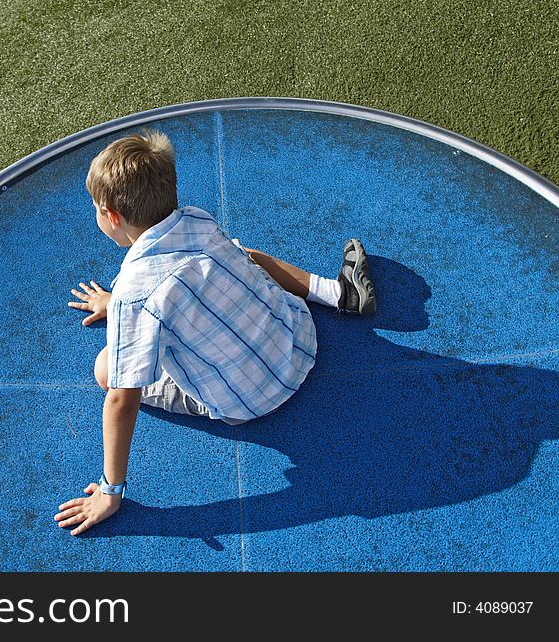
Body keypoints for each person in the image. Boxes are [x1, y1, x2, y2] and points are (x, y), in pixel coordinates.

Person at [54, 130, 376, 535]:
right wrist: (118, 301)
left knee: (106, 368)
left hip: (248, 401)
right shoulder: (197, 221)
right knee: (245, 256)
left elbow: (122, 397)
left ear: (111, 215)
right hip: (299, 339)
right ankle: (339, 294)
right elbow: (183, 277)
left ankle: (114, 491)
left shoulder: (133, 297)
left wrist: (110, 490)